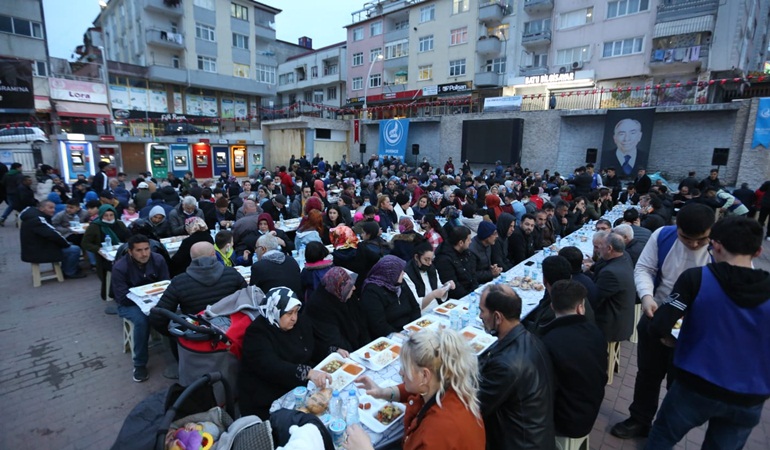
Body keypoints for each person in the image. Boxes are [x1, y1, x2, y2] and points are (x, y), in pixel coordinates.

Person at [645, 216, 770, 449]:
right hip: (749, 395)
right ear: (758, 251)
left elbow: (660, 325)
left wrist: (672, 342)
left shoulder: (698, 278)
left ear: (716, 245)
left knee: (662, 437)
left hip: (695, 383)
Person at [610, 203, 716, 440]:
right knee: (647, 374)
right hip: (656, 314)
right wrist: (647, 297)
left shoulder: (722, 249)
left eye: (702, 239)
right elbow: (644, 268)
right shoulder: (663, 236)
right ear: (677, 228)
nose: (695, 244)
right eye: (687, 238)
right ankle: (639, 419)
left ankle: (665, 431)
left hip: (695, 327)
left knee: (679, 384)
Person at [347, 328, 486, 450]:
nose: (400, 373)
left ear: (425, 375)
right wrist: (383, 392)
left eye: (405, 369)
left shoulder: (436, 433)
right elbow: (414, 390)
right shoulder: (445, 384)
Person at [477, 284, 555, 450]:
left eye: (482, 311)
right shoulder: (531, 338)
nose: (480, 316)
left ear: (497, 317)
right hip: (536, 435)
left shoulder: (507, 365)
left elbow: (476, 405)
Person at [239, 287, 332, 419]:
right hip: (268, 394)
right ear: (275, 311)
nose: (294, 318)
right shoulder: (257, 333)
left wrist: (333, 350)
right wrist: (307, 373)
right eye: (289, 313)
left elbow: (312, 346)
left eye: (296, 312)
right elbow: (270, 366)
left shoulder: (300, 322)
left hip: (297, 386)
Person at [540, 280, 607, 440]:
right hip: (591, 407)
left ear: (552, 307)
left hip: (566, 421)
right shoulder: (595, 331)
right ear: (580, 308)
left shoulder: (549, 341)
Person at [151, 242, 247, 334]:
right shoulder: (232, 274)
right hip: (232, 332)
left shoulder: (179, 282)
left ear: (191, 258)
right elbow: (250, 301)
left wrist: (173, 334)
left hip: (198, 335)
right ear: (214, 254)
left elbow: (158, 316)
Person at [111, 234, 170, 382]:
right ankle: (139, 364)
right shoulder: (120, 267)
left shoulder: (158, 259)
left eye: (146, 249)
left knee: (173, 313)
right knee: (142, 320)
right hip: (130, 304)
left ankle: (176, 355)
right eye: (139, 250)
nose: (144, 254)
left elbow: (166, 284)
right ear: (130, 252)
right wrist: (145, 299)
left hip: (155, 300)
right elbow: (122, 297)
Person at [305, 267, 370, 357]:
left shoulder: (345, 295)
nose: (354, 288)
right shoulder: (319, 306)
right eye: (349, 286)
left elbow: (361, 323)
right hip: (340, 354)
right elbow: (333, 339)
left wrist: (367, 348)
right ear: (339, 288)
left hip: (358, 349)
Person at [20, 200, 86, 279]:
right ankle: (69, 272)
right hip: (39, 251)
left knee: (70, 244)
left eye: (54, 208)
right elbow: (53, 234)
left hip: (34, 248)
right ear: (42, 209)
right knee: (74, 249)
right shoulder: (38, 220)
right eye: (50, 208)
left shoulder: (33, 216)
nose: (53, 210)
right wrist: (66, 244)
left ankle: (68, 267)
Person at [360, 255, 421, 338]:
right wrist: (400, 335)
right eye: (400, 271)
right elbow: (378, 325)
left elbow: (415, 307)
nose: (403, 273)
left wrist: (413, 327)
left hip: (409, 330)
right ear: (390, 273)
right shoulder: (371, 292)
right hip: (390, 336)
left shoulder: (399, 283)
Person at [593, 231, 636, 343]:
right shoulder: (624, 256)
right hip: (622, 318)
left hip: (611, 326)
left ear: (609, 248)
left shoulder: (610, 273)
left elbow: (594, 299)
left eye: (601, 245)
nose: (598, 248)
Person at [404, 242, 454, 313]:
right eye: (426, 259)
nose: (430, 263)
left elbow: (438, 287)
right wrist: (433, 295)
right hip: (421, 313)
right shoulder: (407, 274)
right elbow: (416, 304)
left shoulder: (431, 268)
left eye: (431, 259)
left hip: (436, 307)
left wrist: (446, 286)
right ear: (416, 257)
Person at [434, 226, 478, 299]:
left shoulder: (466, 252)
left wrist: (475, 290)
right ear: (461, 243)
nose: (471, 242)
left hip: (470, 293)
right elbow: (453, 288)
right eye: (468, 240)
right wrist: (468, 296)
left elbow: (473, 274)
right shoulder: (443, 259)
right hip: (458, 298)